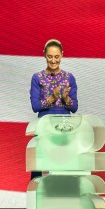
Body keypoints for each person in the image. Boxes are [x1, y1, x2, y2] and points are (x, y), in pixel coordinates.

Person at [29, 38, 78, 179]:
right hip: (44, 128)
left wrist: (65, 98)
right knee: (39, 167)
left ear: (62, 55)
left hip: (64, 129)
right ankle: (37, 196)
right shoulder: (37, 78)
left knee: (64, 167)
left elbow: (74, 107)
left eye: (56, 57)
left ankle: (63, 196)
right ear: (44, 55)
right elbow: (35, 106)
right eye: (50, 56)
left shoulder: (69, 78)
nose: (53, 60)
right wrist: (52, 97)